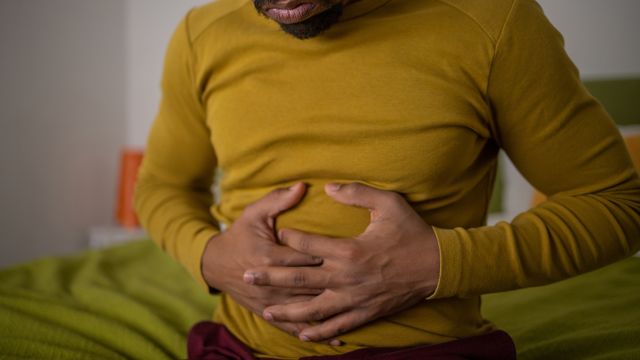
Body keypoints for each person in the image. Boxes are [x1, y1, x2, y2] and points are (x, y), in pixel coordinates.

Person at [134, 0, 640, 358]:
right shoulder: (203, 34)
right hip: (238, 347)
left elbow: (618, 202)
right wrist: (207, 256)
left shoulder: (494, 21)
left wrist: (437, 265)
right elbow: (162, 185)